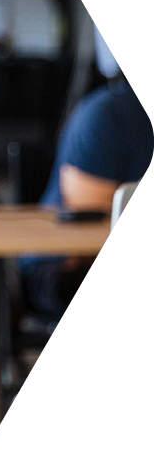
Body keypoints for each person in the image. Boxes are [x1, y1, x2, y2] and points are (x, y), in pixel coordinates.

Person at [22, 78, 154, 322]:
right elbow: (89, 240)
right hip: (65, 262)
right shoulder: (110, 115)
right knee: (100, 282)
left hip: (138, 259)